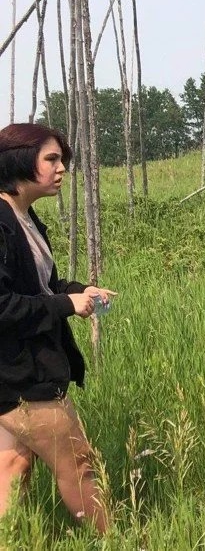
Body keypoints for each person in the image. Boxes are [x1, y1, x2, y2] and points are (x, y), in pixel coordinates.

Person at [0, 124, 112, 534]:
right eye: (51, 159)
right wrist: (66, 304)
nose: (62, 168)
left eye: (61, 159)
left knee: (12, 466)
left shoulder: (24, 217)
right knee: (79, 465)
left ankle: (10, 539)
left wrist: (79, 291)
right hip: (21, 373)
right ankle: (116, 539)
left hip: (18, 368)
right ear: (17, 161)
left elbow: (38, 287)